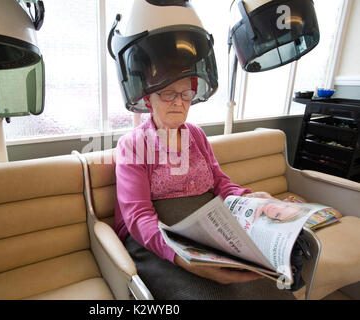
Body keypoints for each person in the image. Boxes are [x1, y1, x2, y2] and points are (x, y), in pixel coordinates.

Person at [114, 77, 295, 300]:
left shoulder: (196, 135)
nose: (179, 102)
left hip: (209, 227)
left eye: (186, 94)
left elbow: (219, 182)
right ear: (148, 100)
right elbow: (138, 216)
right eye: (168, 93)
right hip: (156, 238)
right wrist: (182, 257)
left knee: (264, 285)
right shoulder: (132, 144)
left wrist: (248, 198)